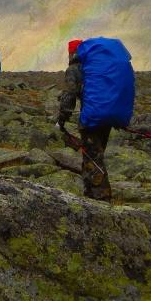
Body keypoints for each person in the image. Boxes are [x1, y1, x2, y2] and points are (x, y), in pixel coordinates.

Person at [57, 39, 113, 201]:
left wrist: (61, 119)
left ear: (71, 52)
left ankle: (100, 197)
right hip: (108, 118)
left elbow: (70, 95)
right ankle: (91, 192)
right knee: (96, 154)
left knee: (92, 158)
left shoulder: (74, 69)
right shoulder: (95, 68)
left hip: (92, 118)